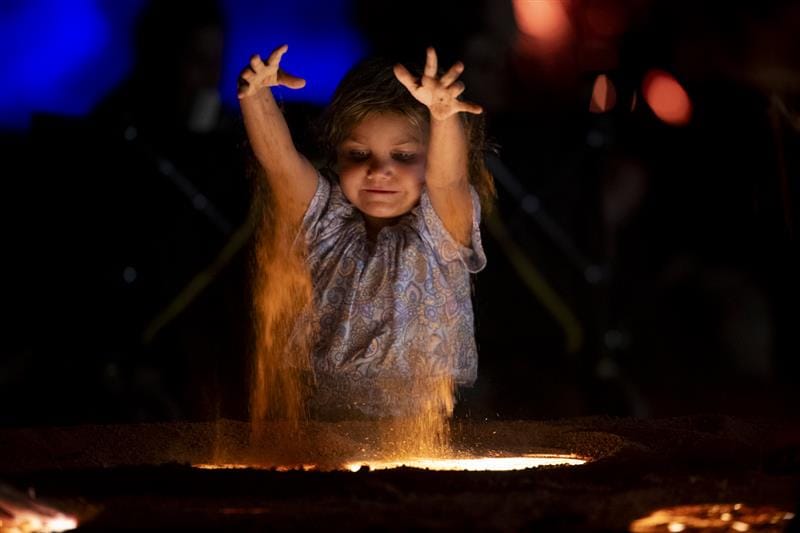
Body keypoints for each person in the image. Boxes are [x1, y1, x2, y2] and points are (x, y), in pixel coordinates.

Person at [238, 44, 494, 419]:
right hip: (324, 414)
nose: (378, 171)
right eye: (358, 155)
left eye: (404, 156)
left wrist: (442, 117)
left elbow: (447, 180)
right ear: (336, 153)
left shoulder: (441, 231)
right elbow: (279, 163)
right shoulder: (324, 220)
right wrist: (257, 97)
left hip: (429, 417)